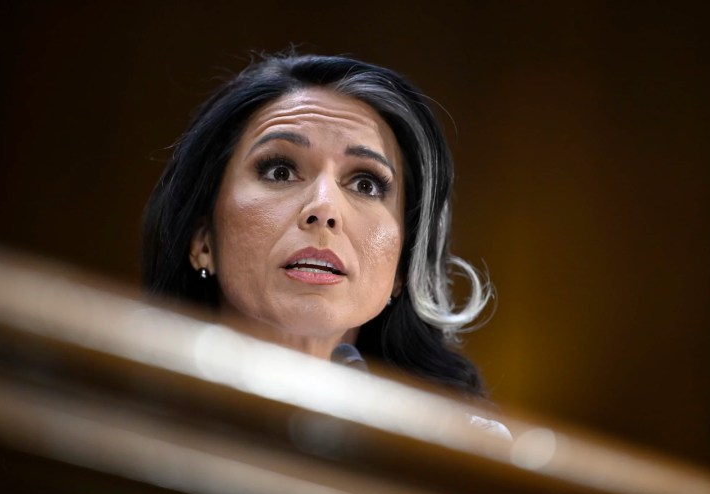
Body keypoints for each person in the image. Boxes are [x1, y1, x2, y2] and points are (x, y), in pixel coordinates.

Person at [142, 53, 493, 398]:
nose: (324, 208)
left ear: (403, 266)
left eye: (365, 184)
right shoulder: (113, 414)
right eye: (280, 171)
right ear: (203, 241)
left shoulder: (460, 448)